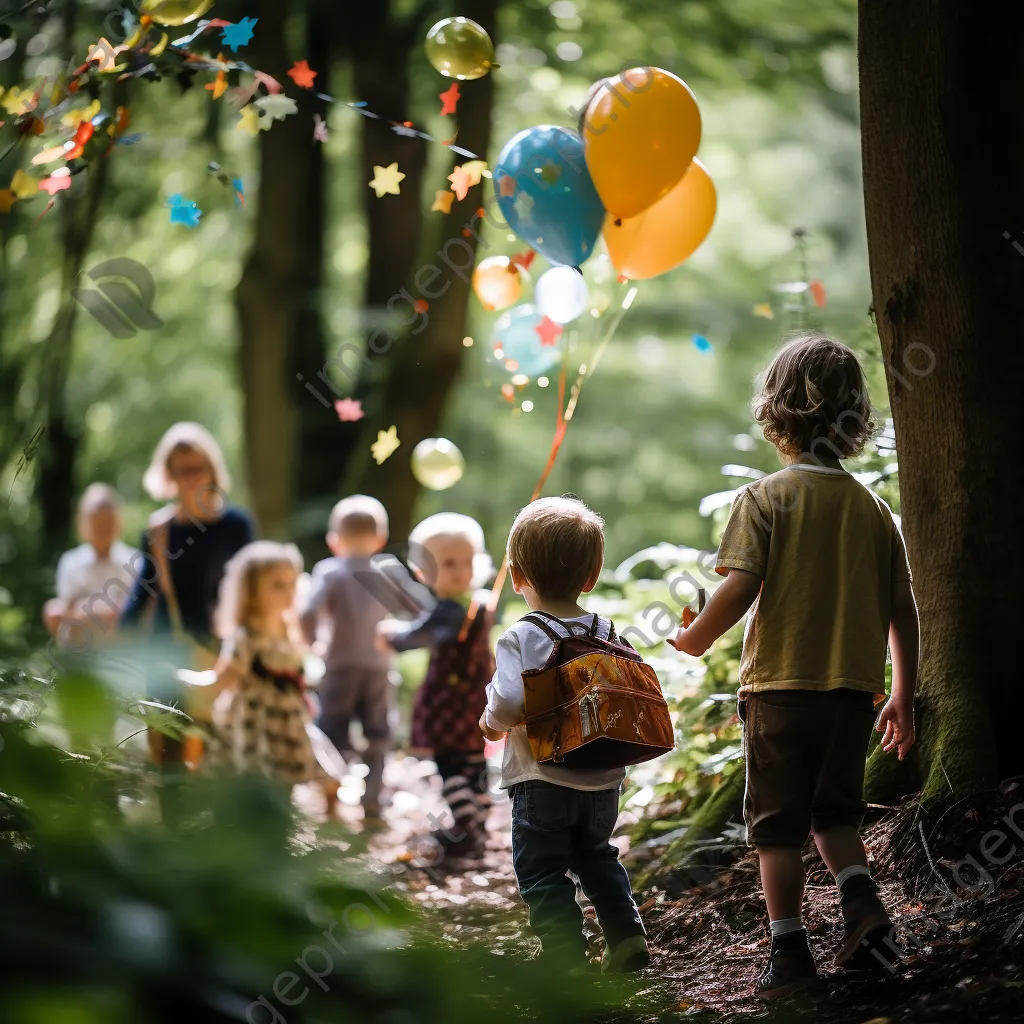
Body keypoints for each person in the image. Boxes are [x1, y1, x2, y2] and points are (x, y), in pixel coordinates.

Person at [669, 334, 920, 999]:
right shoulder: (874, 511)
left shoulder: (764, 499)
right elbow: (905, 610)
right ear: (854, 416)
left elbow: (740, 587)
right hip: (853, 695)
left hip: (780, 691)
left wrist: (696, 637)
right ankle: (864, 908)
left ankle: (790, 958)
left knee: (775, 830)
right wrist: (902, 692)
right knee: (835, 816)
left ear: (777, 411)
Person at [479, 496, 649, 973]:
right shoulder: (606, 629)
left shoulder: (523, 635)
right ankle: (627, 936)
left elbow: (510, 703)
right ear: (591, 577)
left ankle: (564, 960)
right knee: (598, 858)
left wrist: (490, 724)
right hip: (602, 780)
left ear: (516, 576)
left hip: (541, 781)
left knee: (542, 873)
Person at [119, 422, 255, 769]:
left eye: (198, 468)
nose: (191, 477)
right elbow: (144, 589)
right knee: (168, 754)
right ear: (169, 475)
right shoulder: (159, 529)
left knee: (217, 754)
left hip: (220, 651)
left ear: (212, 468)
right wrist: (118, 633)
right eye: (182, 470)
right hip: (169, 648)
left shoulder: (236, 526)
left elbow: (249, 589)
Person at [380, 512, 496, 863]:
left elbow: (412, 637)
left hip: (450, 703)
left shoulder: (449, 610)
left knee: (450, 765)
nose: (461, 571)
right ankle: (479, 820)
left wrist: (389, 635)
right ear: (424, 572)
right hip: (474, 699)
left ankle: (467, 826)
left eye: (467, 562)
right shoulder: (479, 605)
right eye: (449, 563)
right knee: (472, 762)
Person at [298, 495, 422, 822]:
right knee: (378, 732)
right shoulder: (387, 572)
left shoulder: (329, 571)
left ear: (333, 541)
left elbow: (307, 612)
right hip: (379, 667)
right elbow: (421, 610)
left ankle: (330, 796)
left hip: (338, 666)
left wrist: (313, 644)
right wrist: (399, 634)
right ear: (380, 539)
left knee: (331, 729)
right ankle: (372, 799)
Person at [206, 541, 342, 813]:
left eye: (293, 583)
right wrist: (192, 679)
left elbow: (301, 666)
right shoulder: (246, 636)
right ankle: (262, 828)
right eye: (278, 585)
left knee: (324, 774)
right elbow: (225, 676)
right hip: (256, 721)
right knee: (262, 779)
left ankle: (330, 824)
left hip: (290, 718)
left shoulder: (288, 628)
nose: (289, 592)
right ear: (252, 592)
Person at [44, 483, 137, 645]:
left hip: (122, 653)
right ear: (82, 524)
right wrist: (109, 612)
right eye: (97, 522)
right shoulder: (70, 562)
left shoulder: (135, 561)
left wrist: (81, 611)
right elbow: (61, 616)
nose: (102, 529)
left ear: (118, 523)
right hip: (81, 652)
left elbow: (135, 617)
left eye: (107, 522)